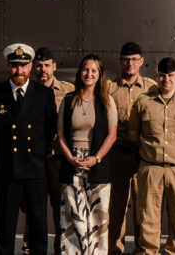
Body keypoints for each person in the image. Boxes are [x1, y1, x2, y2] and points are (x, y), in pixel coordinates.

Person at [128, 57, 175, 255]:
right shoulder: (143, 102)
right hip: (151, 168)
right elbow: (134, 134)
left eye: (170, 76)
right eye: (162, 76)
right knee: (148, 218)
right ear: (157, 76)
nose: (166, 80)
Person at [0, 43, 59, 255]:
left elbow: (50, 129)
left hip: (35, 169)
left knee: (38, 224)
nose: (18, 71)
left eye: (23, 66)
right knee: (5, 225)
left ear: (30, 66)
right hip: (7, 169)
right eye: (14, 66)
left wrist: (38, 152)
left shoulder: (44, 94)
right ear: (7, 66)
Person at [57, 54, 120, 255]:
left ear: (100, 75)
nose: (89, 74)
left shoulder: (107, 101)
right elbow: (60, 135)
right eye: (85, 69)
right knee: (72, 218)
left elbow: (112, 135)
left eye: (94, 70)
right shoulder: (68, 100)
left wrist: (96, 158)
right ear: (80, 72)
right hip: (72, 163)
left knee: (98, 220)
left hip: (97, 164)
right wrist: (70, 158)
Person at [108, 42, 158, 252]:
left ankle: (141, 249)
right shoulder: (109, 87)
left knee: (143, 208)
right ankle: (114, 249)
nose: (130, 64)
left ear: (141, 61)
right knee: (116, 208)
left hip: (142, 156)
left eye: (135, 60)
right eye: (126, 60)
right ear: (120, 61)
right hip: (118, 154)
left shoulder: (151, 88)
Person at [36, 46, 74, 249]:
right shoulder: (29, 91)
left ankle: (61, 249)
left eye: (47, 65)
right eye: (39, 65)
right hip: (36, 160)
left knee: (61, 210)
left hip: (58, 160)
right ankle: (31, 248)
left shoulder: (68, 91)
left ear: (54, 66)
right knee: (34, 210)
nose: (43, 69)